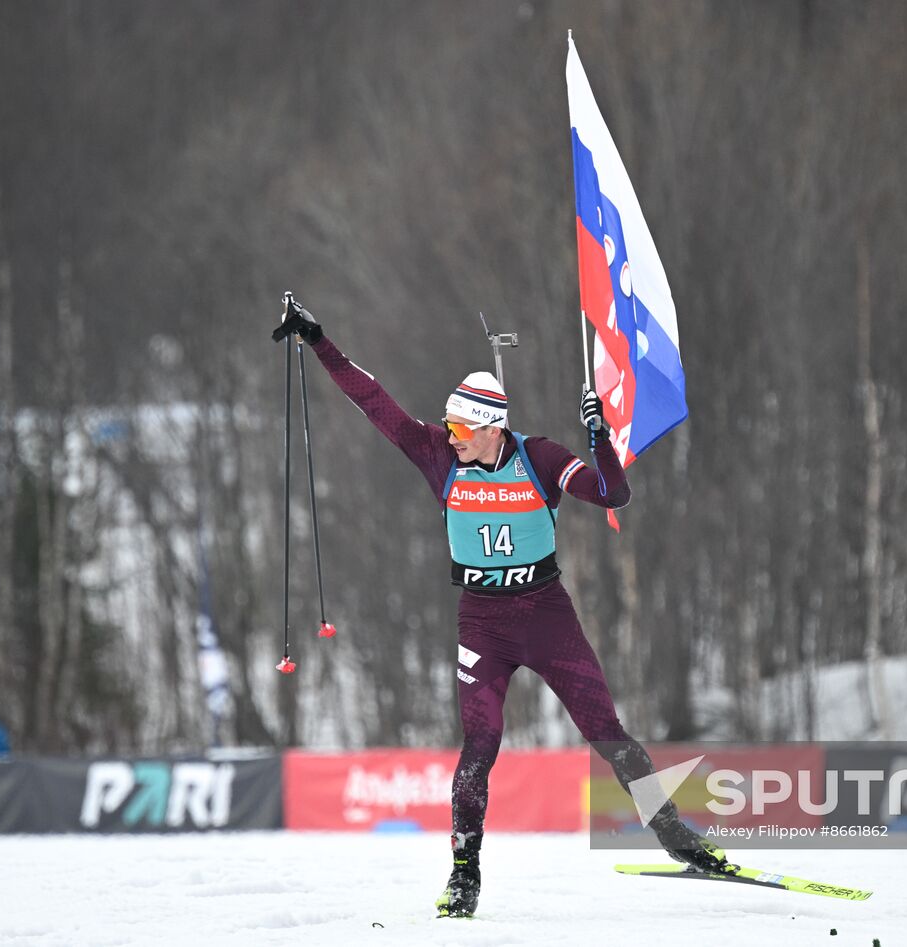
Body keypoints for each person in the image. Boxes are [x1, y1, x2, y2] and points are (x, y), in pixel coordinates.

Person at [277, 301, 731, 918]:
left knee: (606, 732)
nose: (451, 439)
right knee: (480, 745)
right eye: (450, 429)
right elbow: (374, 401)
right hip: (482, 621)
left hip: (546, 615)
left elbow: (612, 493)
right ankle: (464, 875)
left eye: (463, 431)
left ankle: (679, 839)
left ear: (493, 428)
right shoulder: (439, 457)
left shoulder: (538, 457)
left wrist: (599, 441)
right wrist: (319, 340)